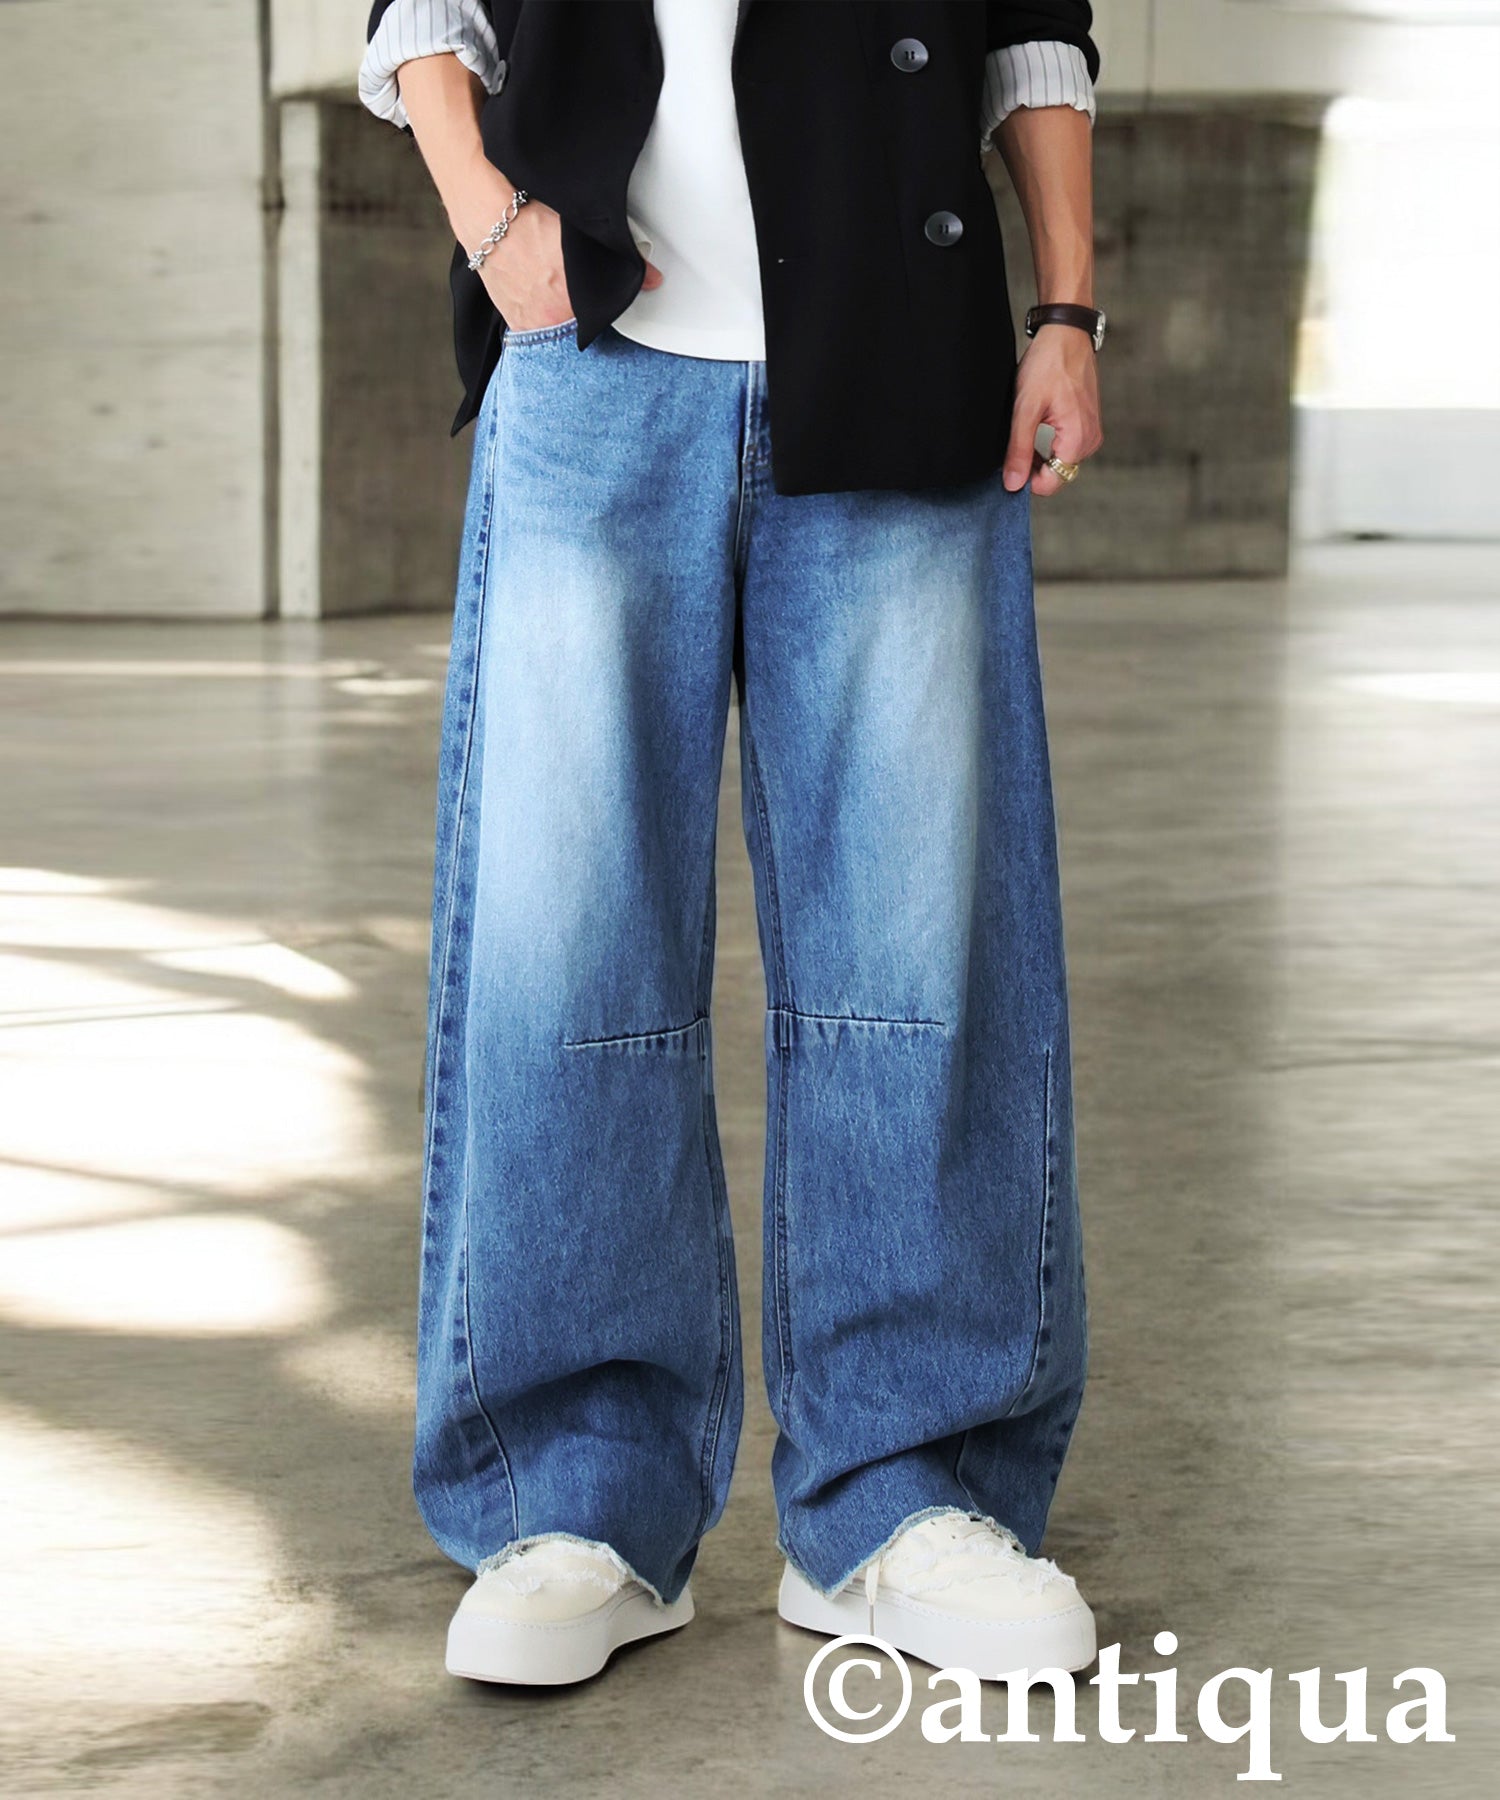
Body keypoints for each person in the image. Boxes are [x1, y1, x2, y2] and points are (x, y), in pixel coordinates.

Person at [359, 0, 1106, 1688]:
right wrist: (488, 219)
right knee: (567, 947)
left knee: (917, 952)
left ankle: (910, 1493)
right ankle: (577, 1497)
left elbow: (1032, 28)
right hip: (593, 369)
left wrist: (1066, 309)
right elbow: (421, 11)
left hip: (901, 348)